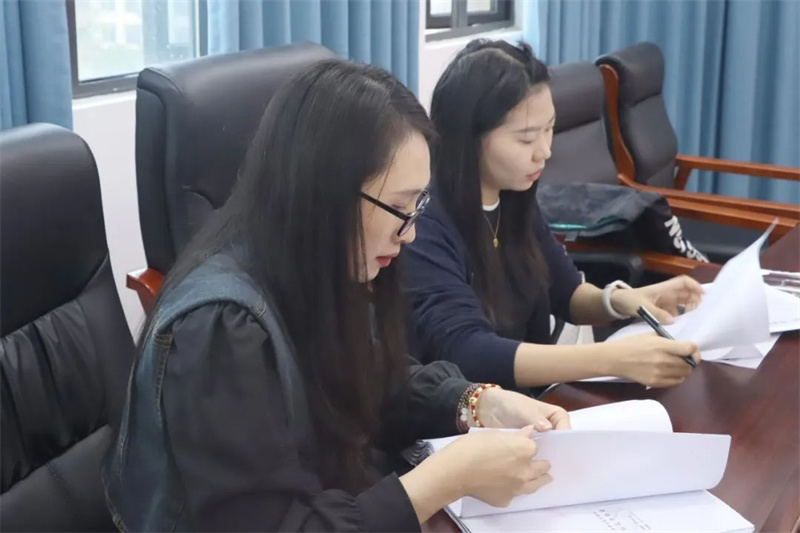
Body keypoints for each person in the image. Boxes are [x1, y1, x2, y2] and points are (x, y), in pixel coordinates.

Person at [103, 59, 571, 532]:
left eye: (419, 204)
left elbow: (375, 380)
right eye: (400, 206)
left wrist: (476, 402)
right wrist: (447, 478)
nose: (410, 233)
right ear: (326, 192)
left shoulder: (310, 264)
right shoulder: (220, 329)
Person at [403, 40, 703, 392]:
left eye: (550, 130)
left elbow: (567, 292)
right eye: (526, 139)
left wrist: (625, 300)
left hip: (530, 403)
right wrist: (614, 359)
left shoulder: (514, 196)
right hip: (466, 414)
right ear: (468, 138)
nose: (544, 152)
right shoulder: (423, 223)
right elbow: (468, 351)